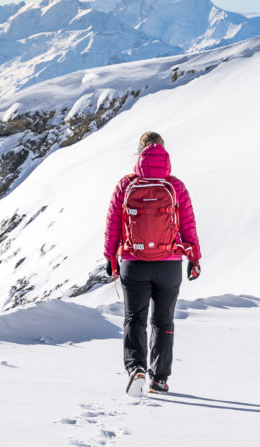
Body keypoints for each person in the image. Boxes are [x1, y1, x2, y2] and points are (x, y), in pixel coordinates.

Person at [103, 131, 201, 395]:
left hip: (134, 262)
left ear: (139, 152)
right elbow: (188, 225)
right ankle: (159, 379)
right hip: (169, 263)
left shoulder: (125, 185)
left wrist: (110, 258)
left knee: (134, 318)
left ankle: (136, 368)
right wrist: (194, 257)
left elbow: (113, 225)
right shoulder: (175, 186)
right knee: (163, 321)